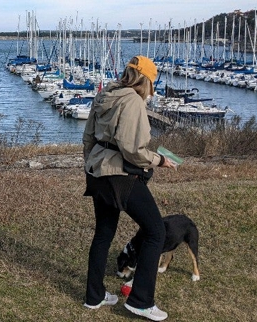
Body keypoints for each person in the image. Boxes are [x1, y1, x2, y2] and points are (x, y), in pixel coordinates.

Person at [82, 56, 176, 321]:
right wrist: (159, 160)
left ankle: (94, 296)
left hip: (97, 171)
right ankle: (141, 301)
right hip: (119, 175)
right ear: (146, 80)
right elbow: (132, 149)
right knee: (156, 231)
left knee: (103, 234)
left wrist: (89, 167)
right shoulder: (133, 100)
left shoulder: (105, 95)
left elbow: (88, 136)